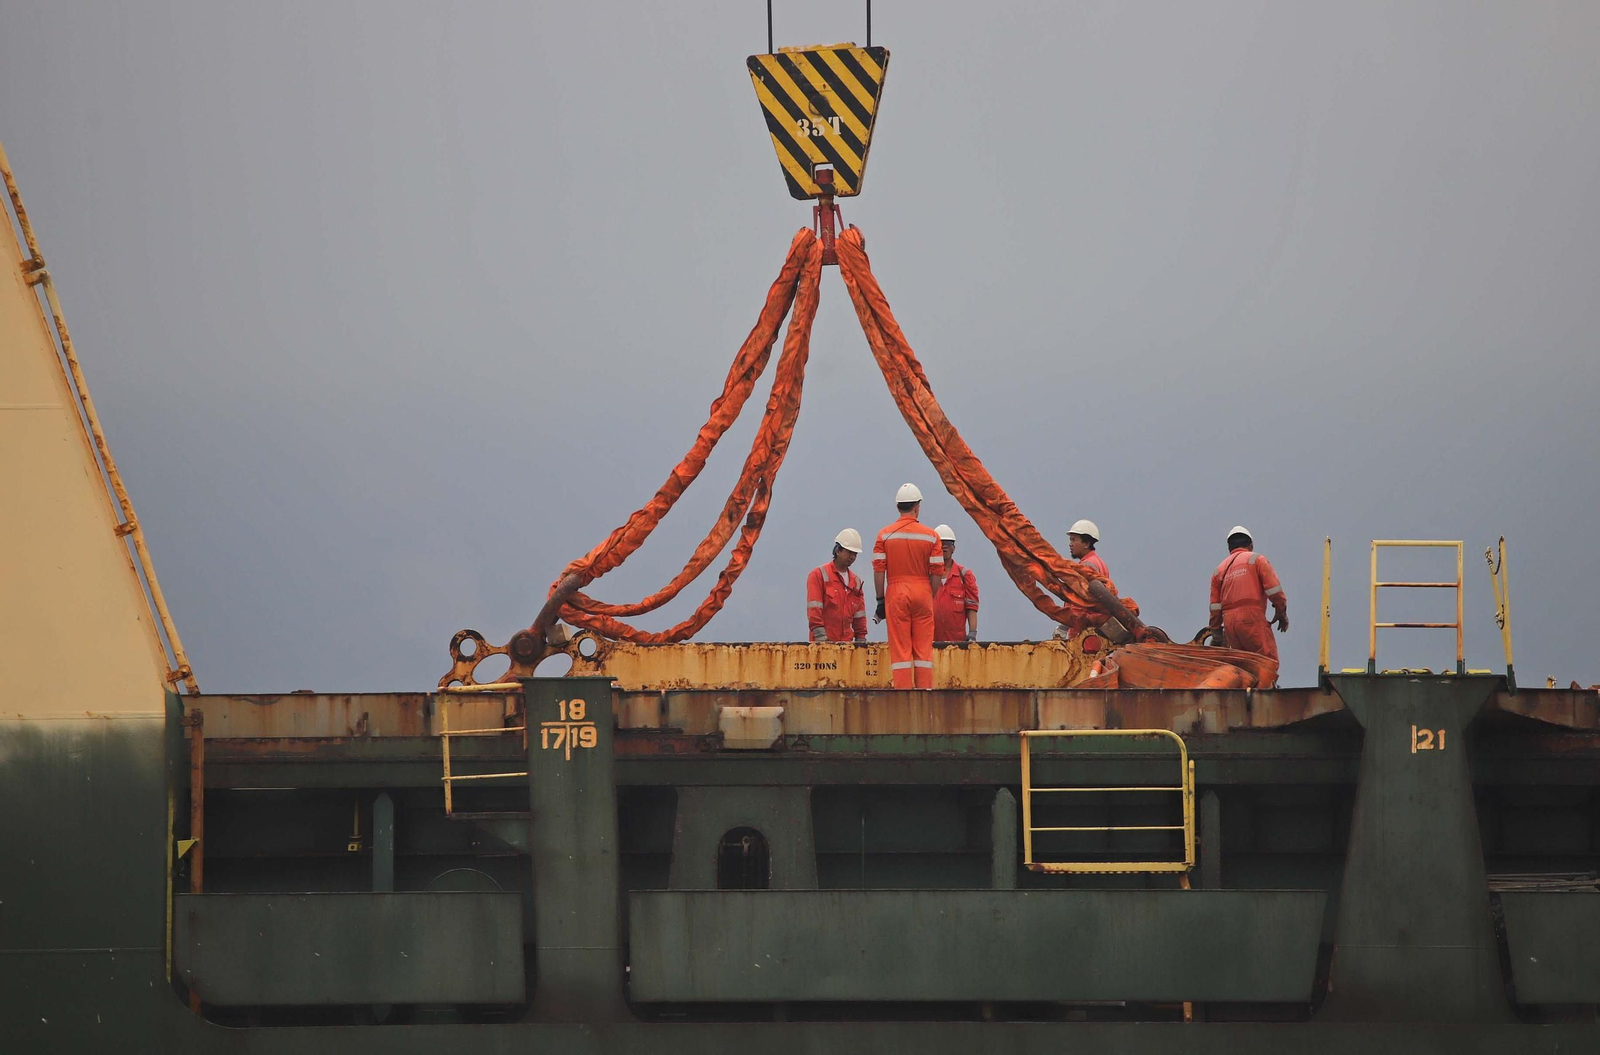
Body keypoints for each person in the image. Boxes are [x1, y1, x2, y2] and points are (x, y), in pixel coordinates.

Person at [872, 484, 945, 688]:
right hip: (923, 591)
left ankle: (903, 693)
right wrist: (928, 595)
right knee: (923, 649)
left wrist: (880, 599)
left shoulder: (884, 535)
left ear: (898, 507)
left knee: (901, 649)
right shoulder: (931, 536)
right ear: (917, 506)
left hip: (896, 592)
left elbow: (879, 571)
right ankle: (925, 691)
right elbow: (938, 571)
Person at [1209, 526, 1288, 662]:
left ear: (1229, 548)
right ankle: (1266, 684)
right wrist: (1281, 612)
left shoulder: (1219, 570)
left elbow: (1215, 607)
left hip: (1230, 624)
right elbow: (1274, 590)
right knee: (1266, 660)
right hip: (1251, 617)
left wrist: (1216, 633)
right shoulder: (1257, 560)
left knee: (1241, 665)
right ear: (1250, 545)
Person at [806, 529, 869, 643]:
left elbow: (859, 616)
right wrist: (821, 641)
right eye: (850, 552)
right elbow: (814, 610)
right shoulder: (818, 575)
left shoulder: (856, 582)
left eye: (855, 554)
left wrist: (861, 641)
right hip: (822, 646)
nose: (853, 557)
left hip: (846, 647)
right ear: (838, 551)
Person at [1054, 519, 1107, 640]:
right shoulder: (1099, 563)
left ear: (1086, 543)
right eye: (1070, 539)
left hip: (1083, 633)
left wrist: (1064, 626)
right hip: (1096, 631)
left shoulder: (1087, 566)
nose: (1070, 544)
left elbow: (1079, 603)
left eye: (1074, 540)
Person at [932, 524, 979, 643]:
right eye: (940, 544)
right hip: (929, 643)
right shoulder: (925, 576)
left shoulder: (964, 575)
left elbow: (971, 606)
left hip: (957, 645)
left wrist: (972, 634)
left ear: (954, 548)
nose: (944, 548)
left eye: (948, 544)